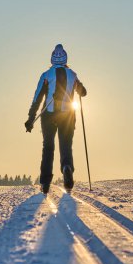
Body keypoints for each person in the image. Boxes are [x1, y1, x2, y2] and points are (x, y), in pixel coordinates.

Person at [25, 44, 87, 194]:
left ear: (52, 59)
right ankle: (67, 168)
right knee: (66, 146)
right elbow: (83, 93)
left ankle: (45, 182)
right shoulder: (72, 74)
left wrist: (30, 119)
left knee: (48, 147)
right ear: (65, 58)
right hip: (68, 116)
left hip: (48, 115)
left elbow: (37, 97)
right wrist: (78, 86)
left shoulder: (46, 75)